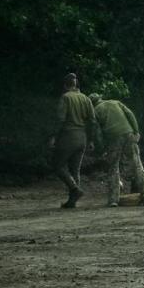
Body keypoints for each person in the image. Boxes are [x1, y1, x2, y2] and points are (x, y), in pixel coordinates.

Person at [89, 93, 144, 207]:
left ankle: (114, 200)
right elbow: (130, 115)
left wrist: (101, 148)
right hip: (129, 133)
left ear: (92, 103)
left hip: (113, 138)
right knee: (137, 164)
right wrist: (136, 131)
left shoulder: (95, 111)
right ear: (101, 98)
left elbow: (97, 132)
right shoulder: (115, 102)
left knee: (113, 167)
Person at [49, 73, 95, 209]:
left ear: (65, 85)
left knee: (57, 165)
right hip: (82, 137)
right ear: (76, 85)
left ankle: (75, 189)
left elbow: (60, 119)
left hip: (68, 136)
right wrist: (91, 140)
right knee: (75, 169)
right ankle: (72, 201)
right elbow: (92, 121)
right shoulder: (86, 98)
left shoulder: (66, 97)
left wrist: (53, 136)